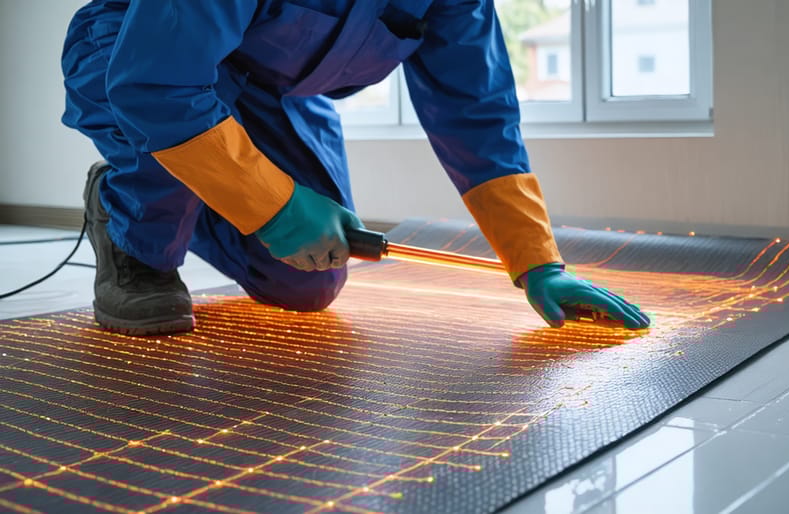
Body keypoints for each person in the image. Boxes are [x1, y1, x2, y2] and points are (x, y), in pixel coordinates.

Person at [61, 0, 650, 336]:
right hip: (139, 59)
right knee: (174, 125)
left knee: (307, 280)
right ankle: (135, 236)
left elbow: (478, 112)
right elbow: (155, 81)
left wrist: (537, 262)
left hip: (275, 93)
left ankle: (177, 207)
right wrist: (276, 204)